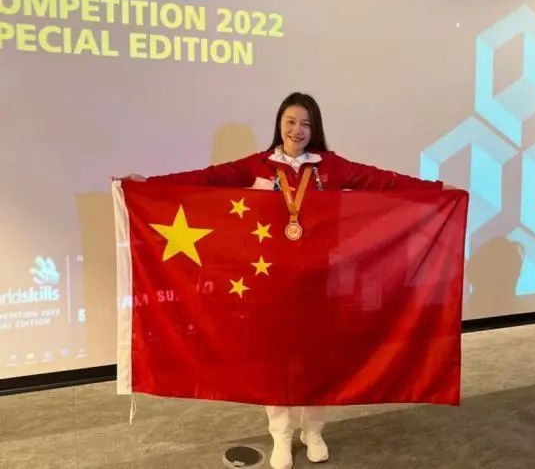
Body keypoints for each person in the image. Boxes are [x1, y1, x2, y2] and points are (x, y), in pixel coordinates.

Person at [123, 92, 443, 469]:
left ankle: (314, 431)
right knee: (272, 362)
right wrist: (150, 184)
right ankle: (281, 434)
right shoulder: (259, 166)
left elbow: (383, 181)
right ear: (279, 123)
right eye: (291, 121)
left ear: (315, 129)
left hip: (322, 284)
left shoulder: (331, 167)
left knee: (319, 361)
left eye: (306, 123)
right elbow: (206, 179)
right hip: (269, 285)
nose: (297, 130)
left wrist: (437, 190)